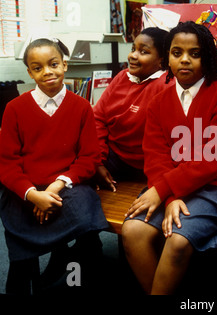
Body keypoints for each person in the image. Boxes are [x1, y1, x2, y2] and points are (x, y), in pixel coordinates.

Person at [121, 21, 217, 294]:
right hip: (171, 186)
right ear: (166, 56)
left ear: (209, 57)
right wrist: (169, 196)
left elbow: (214, 159)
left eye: (195, 53)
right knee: (132, 232)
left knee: (177, 240)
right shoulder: (159, 100)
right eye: (177, 52)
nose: (185, 60)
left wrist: (166, 190)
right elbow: (155, 154)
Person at [0, 38, 108, 294]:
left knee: (86, 215)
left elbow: (89, 158)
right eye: (37, 68)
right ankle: (27, 277)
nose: (47, 72)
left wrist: (56, 186)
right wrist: (34, 195)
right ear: (29, 72)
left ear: (65, 65)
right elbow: (7, 164)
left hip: (67, 184)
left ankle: (74, 266)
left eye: (54, 64)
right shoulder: (14, 108)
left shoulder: (82, 107)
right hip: (25, 188)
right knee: (20, 247)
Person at [93, 27, 171, 192]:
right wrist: (98, 162)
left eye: (143, 52)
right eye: (133, 49)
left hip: (147, 166)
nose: (133, 56)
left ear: (162, 60)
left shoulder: (166, 85)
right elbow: (98, 117)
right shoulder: (122, 76)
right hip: (112, 156)